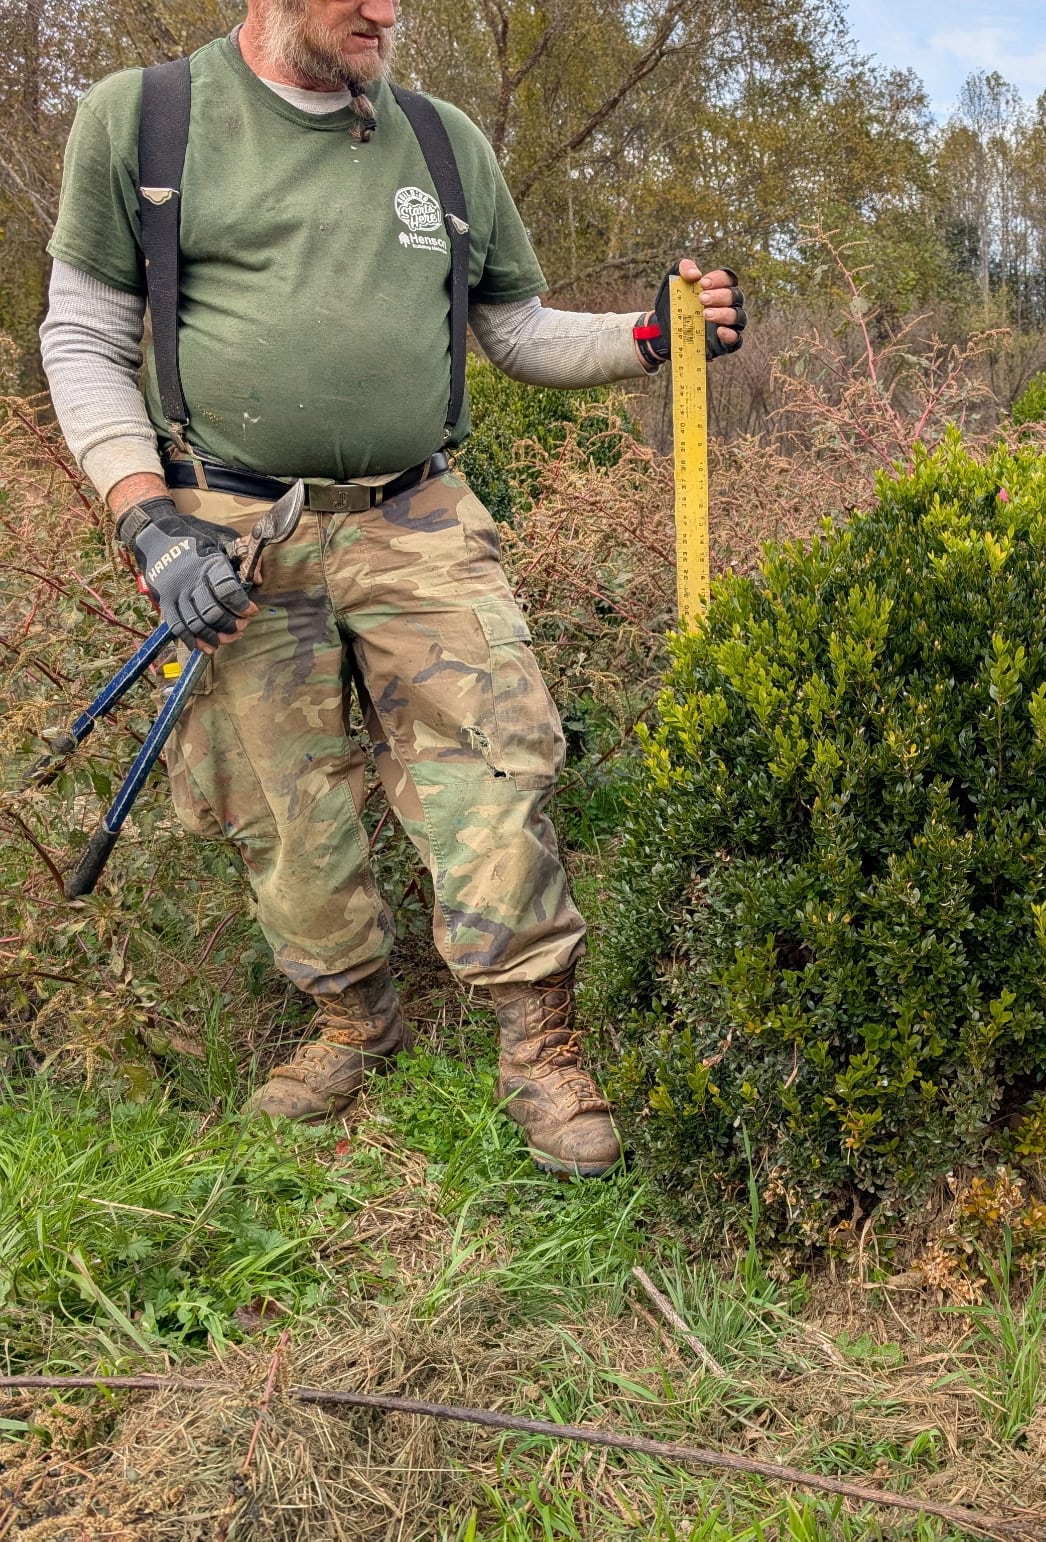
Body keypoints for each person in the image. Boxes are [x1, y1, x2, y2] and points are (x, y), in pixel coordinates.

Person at [39, 0, 745, 1176]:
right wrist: (148, 519)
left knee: (497, 760)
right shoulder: (147, 121)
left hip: (418, 513)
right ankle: (351, 1021)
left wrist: (649, 337)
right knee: (274, 796)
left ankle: (537, 1042)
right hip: (228, 525)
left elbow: (513, 331)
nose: (387, 12)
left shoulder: (440, 139)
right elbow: (83, 337)